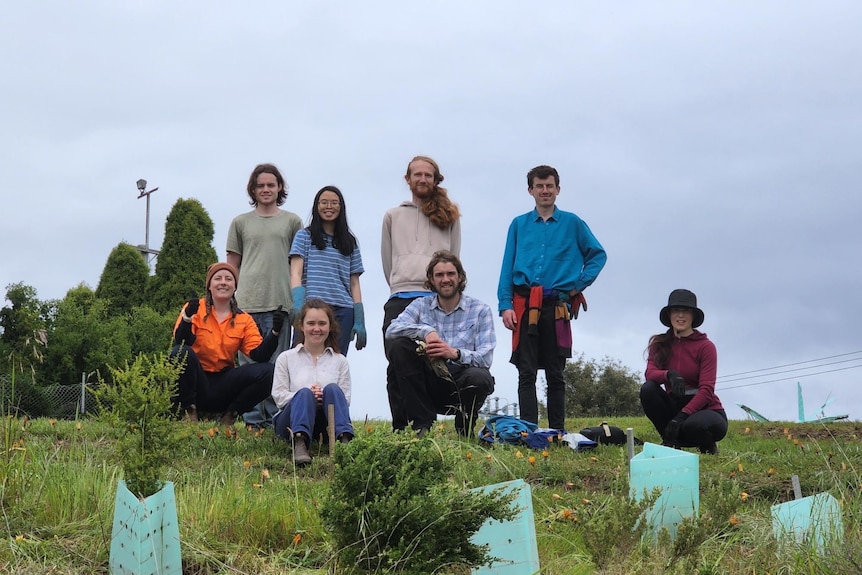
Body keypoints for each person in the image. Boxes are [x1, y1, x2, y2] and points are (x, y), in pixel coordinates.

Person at [497, 165, 607, 431]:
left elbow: (597, 255)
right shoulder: (518, 225)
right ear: (530, 190)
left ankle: (557, 430)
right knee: (526, 371)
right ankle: (528, 429)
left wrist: (576, 286)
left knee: (556, 373)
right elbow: (506, 267)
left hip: (557, 305)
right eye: (539, 186)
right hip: (525, 305)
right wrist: (505, 305)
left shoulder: (573, 223)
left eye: (549, 186)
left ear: (558, 189)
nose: (544, 191)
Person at [381, 155, 461, 431]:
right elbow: (387, 259)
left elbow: (453, 259)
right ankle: (400, 425)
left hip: (432, 298)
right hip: (400, 297)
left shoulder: (450, 215)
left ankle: (424, 423)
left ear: (435, 179)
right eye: (418, 175)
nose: (423, 179)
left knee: (429, 359)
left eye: (428, 175)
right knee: (396, 358)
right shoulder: (393, 215)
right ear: (408, 179)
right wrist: (399, 281)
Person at [385, 251, 495, 437]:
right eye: (439, 275)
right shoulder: (420, 305)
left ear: (460, 277)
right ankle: (421, 426)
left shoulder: (480, 310)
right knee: (399, 348)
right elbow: (391, 330)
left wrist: (454, 353)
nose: (445, 279)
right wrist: (425, 331)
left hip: (460, 382)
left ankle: (464, 427)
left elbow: (486, 358)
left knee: (480, 377)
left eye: (450, 274)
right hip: (428, 382)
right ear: (431, 279)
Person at [226, 163, 302, 429]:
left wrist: (299, 301)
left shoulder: (292, 222)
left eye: (271, 185)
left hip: (280, 304)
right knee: (248, 367)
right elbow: (231, 265)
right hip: (246, 304)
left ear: (280, 187)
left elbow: (299, 265)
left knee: (277, 366)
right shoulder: (240, 222)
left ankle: (274, 419)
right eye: (261, 185)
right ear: (253, 189)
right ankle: (251, 420)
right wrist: (229, 300)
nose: (266, 189)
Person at [171, 262, 282, 426]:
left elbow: (260, 356)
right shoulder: (194, 308)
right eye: (218, 278)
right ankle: (189, 411)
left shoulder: (243, 319)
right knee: (180, 353)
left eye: (228, 279)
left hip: (223, 384)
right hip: (196, 383)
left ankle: (231, 414)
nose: (223, 282)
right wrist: (187, 318)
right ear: (209, 285)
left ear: (235, 286)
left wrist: (274, 333)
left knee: (270, 372)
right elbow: (180, 343)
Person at [641, 289, 727, 455]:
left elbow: (707, 390)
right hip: (674, 404)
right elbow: (650, 374)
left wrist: (681, 416)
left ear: (693, 316)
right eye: (676, 311)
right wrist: (669, 375)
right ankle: (670, 440)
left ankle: (707, 445)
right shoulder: (659, 343)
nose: (681, 316)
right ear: (669, 315)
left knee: (696, 425)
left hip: (704, 409)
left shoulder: (706, 347)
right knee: (648, 389)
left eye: (686, 311)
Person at [272, 299, 354, 466]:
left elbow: (344, 400)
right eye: (311, 323)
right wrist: (307, 395)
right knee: (304, 393)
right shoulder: (286, 358)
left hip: (326, 423)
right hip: (289, 424)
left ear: (330, 326)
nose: (316, 329)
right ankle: (300, 444)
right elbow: (279, 397)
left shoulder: (340, 361)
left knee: (332, 389)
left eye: (322, 323)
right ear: (302, 326)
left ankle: (345, 442)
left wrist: (322, 398)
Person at [289, 185, 365, 356]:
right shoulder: (304, 236)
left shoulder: (350, 242)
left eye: (334, 203)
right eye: (324, 202)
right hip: (310, 307)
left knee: (335, 361)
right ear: (316, 206)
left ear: (341, 207)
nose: (329, 207)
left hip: (343, 310)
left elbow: (354, 282)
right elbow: (296, 272)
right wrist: (298, 302)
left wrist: (359, 318)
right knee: (300, 358)